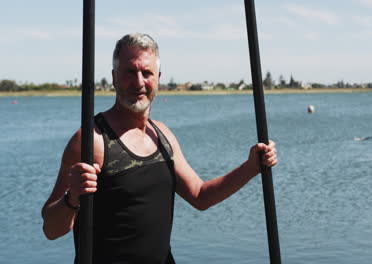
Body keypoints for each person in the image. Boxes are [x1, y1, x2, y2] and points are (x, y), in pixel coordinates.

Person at [41, 33, 278, 264]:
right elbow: (51, 228)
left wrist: (251, 167)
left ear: (158, 78)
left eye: (147, 73)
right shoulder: (91, 140)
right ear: (114, 77)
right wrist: (72, 198)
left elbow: (200, 196)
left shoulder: (163, 135)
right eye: (129, 72)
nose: (139, 82)